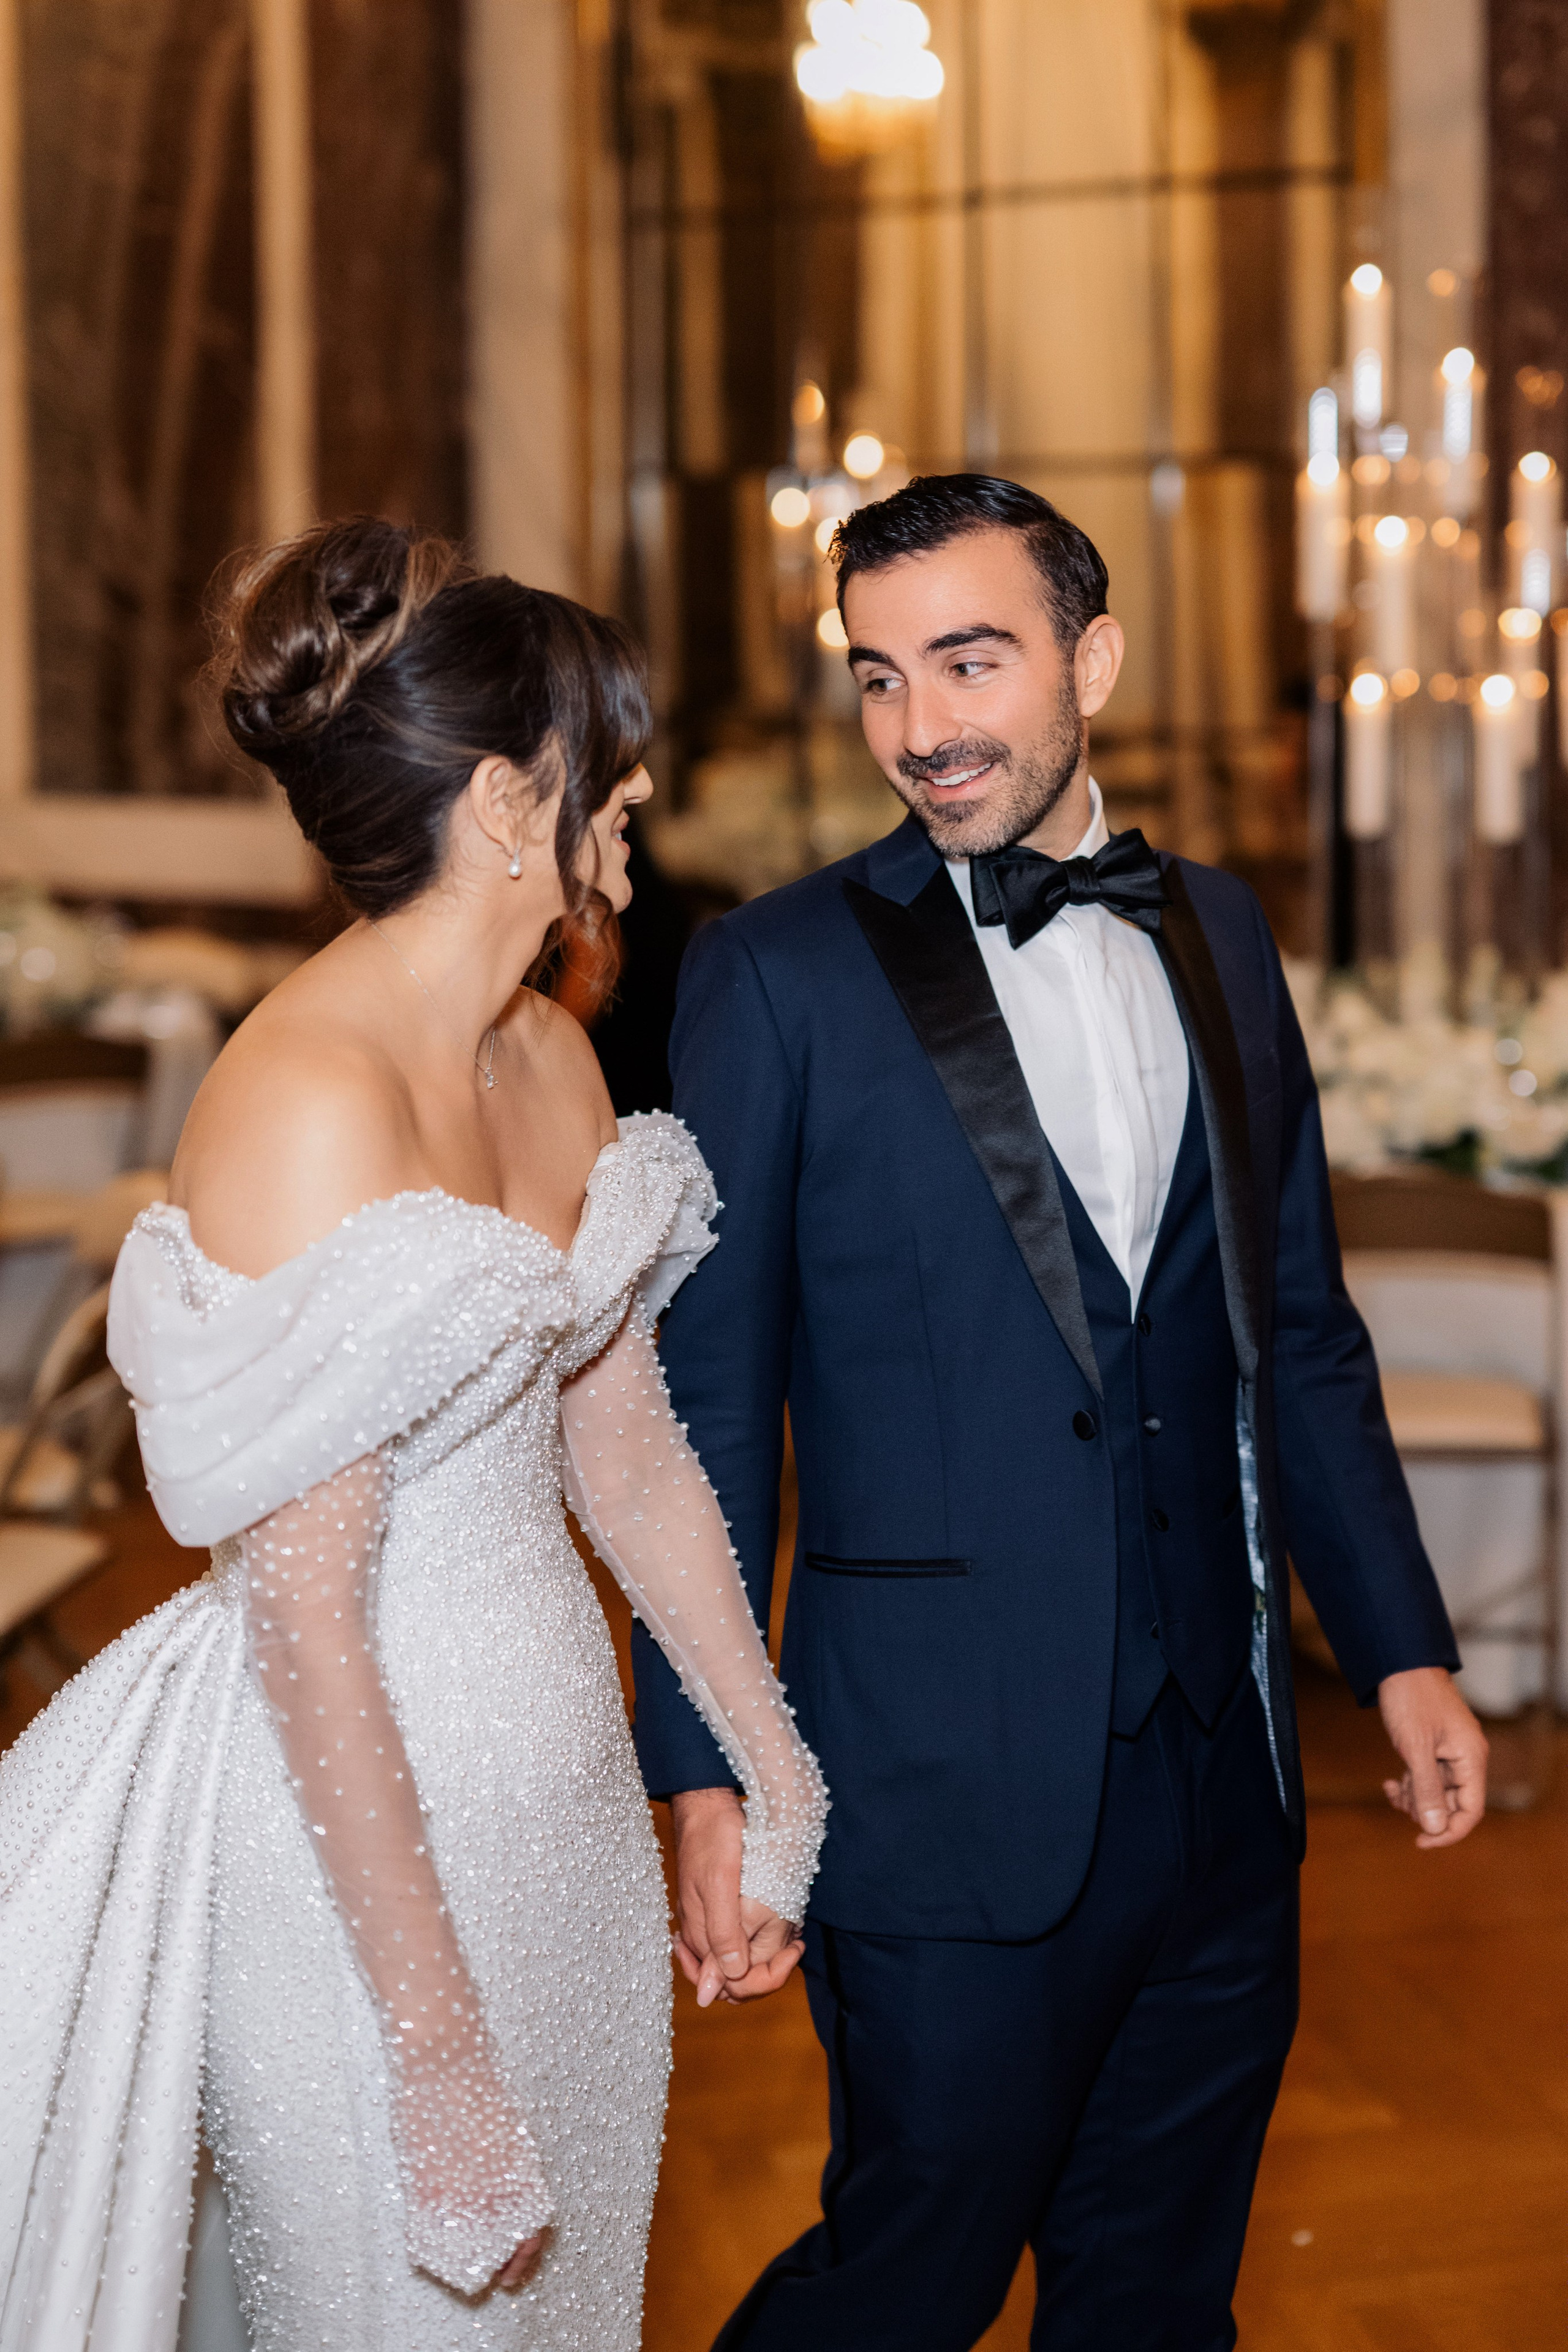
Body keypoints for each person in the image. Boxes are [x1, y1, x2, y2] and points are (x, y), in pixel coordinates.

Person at [630, 475, 1487, 2350]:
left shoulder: (1223, 933)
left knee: (1161, 2297)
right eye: (878, 676)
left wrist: (1403, 1651)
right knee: (903, 2281)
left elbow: (1296, 1331)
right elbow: (706, 1409)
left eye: (970, 663)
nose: (919, 728)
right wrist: (703, 1775)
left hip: (1225, 1783)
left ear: (1093, 662)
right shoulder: (772, 976)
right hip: (935, 1782)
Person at [0, 518, 826, 2350]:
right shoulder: (305, 1097)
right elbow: (309, 1624)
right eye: (606, 753)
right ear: (508, 802)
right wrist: (436, 2054)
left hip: (565, 1823)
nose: (639, 788)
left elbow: (628, 1461)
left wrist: (780, 1782)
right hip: (357, 1873)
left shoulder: (554, 1055)